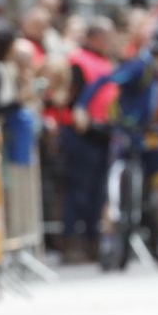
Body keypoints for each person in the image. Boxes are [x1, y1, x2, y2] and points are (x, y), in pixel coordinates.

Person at [73, 25, 158, 267]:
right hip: (127, 134)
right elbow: (104, 81)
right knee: (115, 189)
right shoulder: (139, 67)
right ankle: (109, 240)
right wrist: (81, 107)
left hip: (152, 137)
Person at [60, 16, 117, 262]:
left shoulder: (107, 62)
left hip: (103, 133)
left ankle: (93, 240)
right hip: (82, 134)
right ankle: (72, 241)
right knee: (78, 190)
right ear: (95, 37)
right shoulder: (77, 60)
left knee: (98, 192)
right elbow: (72, 96)